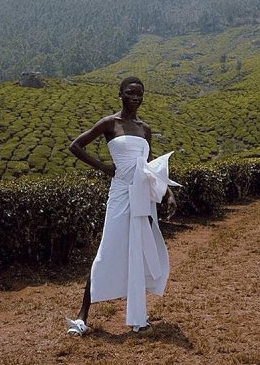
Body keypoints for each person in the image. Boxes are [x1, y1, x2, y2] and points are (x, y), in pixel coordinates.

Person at [66, 76, 180, 336]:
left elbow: (149, 168)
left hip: (141, 196)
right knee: (107, 249)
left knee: (138, 251)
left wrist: (168, 193)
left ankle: (138, 318)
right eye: (131, 93)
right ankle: (82, 315)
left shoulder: (145, 129)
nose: (136, 98)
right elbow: (76, 146)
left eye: (140, 93)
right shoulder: (110, 123)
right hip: (119, 194)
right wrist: (106, 169)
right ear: (120, 94)